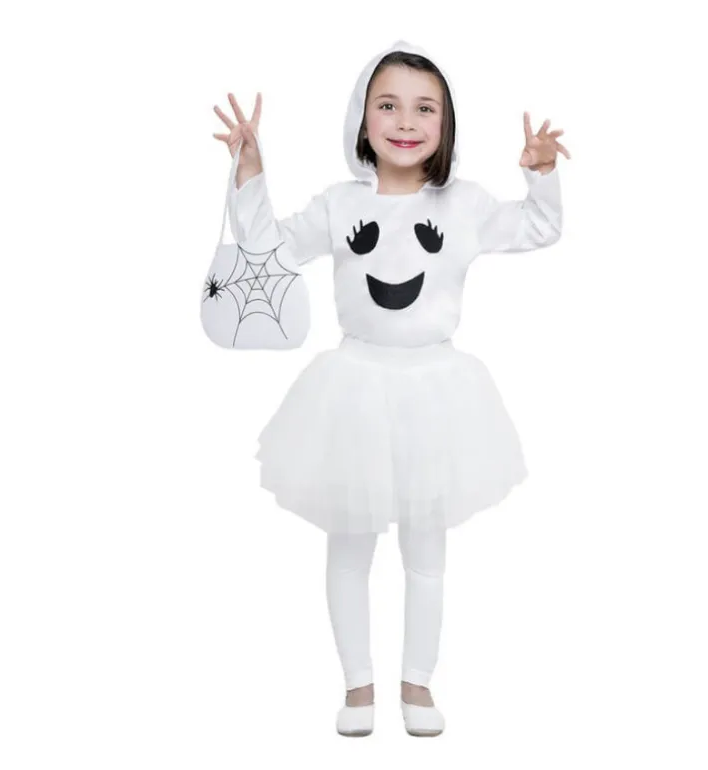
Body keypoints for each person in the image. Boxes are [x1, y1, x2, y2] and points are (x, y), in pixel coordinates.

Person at [211, 39, 568, 737]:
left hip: (438, 393)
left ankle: (418, 683)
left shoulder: (463, 204)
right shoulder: (341, 204)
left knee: (426, 551)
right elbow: (269, 249)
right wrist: (249, 173)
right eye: (388, 105)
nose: (406, 120)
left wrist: (543, 173)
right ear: (362, 117)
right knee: (350, 546)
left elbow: (540, 225)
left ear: (446, 123)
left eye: (425, 108)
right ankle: (358, 685)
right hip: (355, 390)